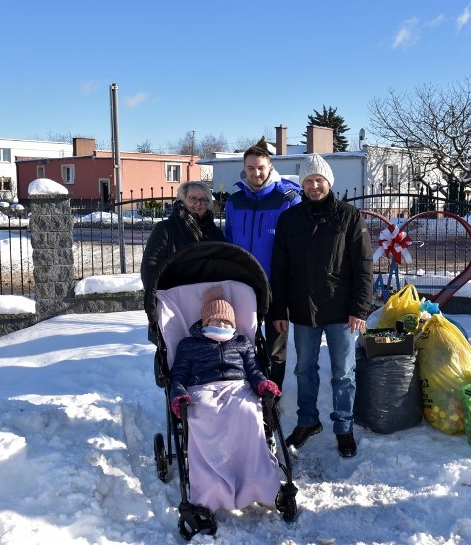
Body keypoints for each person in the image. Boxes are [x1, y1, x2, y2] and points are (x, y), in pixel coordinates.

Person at [270, 154, 373, 458]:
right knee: (304, 370)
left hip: (342, 310)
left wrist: (360, 308)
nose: (314, 185)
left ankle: (343, 427)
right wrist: (278, 310)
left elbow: (364, 266)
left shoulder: (349, 216)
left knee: (343, 373)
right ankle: (307, 422)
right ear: (302, 184)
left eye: (319, 180)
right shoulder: (289, 218)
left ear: (329, 182)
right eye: (308, 181)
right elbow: (280, 269)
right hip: (303, 310)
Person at [169, 286, 283, 511]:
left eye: (226, 323)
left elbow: (253, 369)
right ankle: (212, 486)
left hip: (237, 386)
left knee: (249, 411)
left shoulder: (242, 343)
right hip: (202, 388)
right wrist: (179, 394)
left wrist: (262, 383)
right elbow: (178, 376)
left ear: (233, 325)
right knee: (203, 413)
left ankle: (255, 481)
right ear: (203, 323)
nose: (221, 326)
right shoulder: (188, 345)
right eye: (214, 321)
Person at [224, 145, 301, 390]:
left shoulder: (288, 199)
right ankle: (246, 391)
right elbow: (228, 243)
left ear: (270, 167)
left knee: (275, 345)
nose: (256, 173)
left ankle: (271, 395)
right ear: (244, 169)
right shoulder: (234, 202)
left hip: (275, 285)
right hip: (242, 286)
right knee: (242, 342)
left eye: (260, 168)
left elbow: (296, 248)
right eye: (250, 168)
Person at [141, 181, 224, 341]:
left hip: (208, 304)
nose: (198, 204)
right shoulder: (165, 229)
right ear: (181, 200)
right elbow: (150, 267)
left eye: (204, 200)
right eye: (193, 198)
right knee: (173, 353)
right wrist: (158, 300)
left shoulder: (215, 232)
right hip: (173, 304)